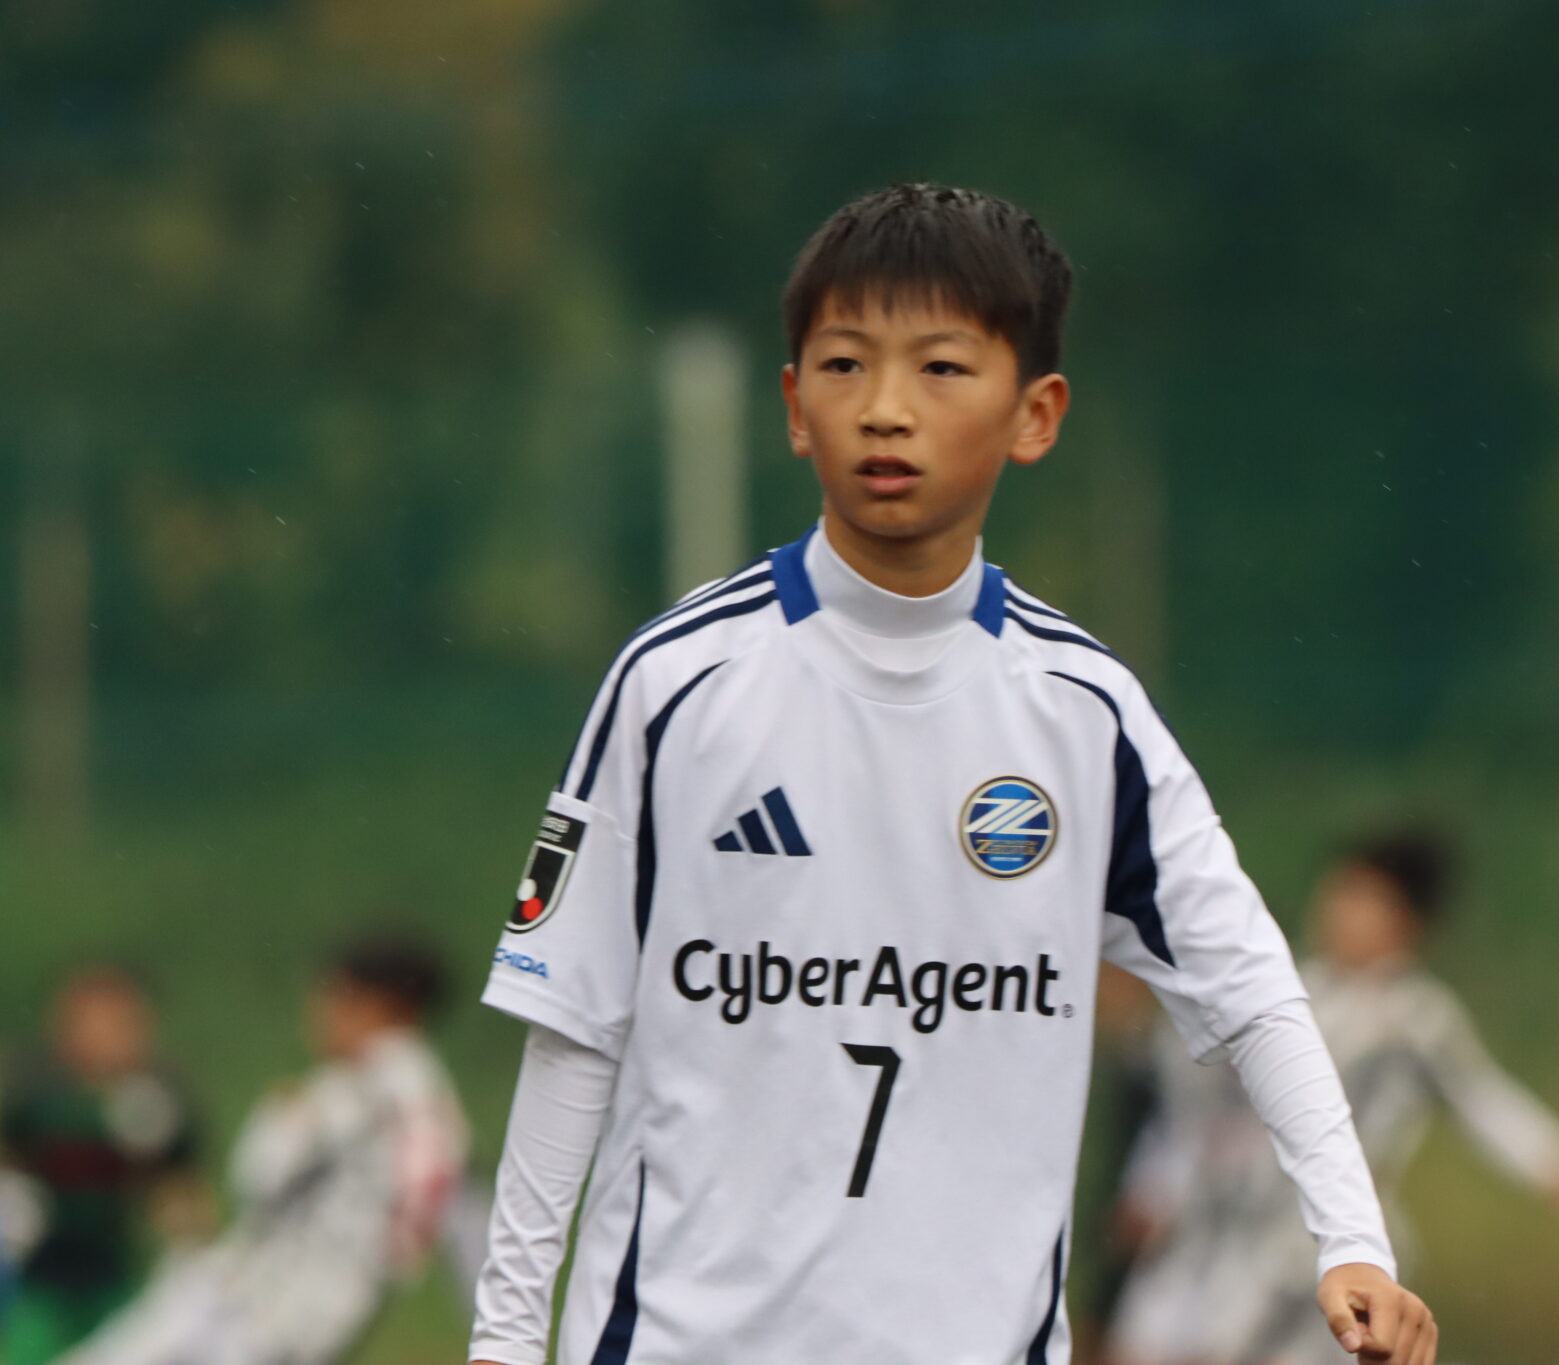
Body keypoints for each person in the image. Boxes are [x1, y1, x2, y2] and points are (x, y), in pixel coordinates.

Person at [467, 183, 1437, 1365]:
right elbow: (574, 1027)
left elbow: (1252, 994)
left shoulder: (1085, 717)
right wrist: (502, 1343)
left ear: (1034, 415)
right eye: (844, 365)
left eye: (938, 368)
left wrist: (1352, 1240)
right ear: (794, 407)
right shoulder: (674, 685)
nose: (885, 410)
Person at [1108, 828, 1559, 1365]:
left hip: (1318, 1242)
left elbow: (1482, 1098)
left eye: (1367, 901)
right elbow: (1203, 1107)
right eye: (1341, 893)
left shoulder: (1414, 1016)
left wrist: (1558, 1163)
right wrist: (1156, 1185)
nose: (1345, 913)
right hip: (1223, 1226)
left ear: (1410, 923)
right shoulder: (1284, 991)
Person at [57, 937, 468, 1365]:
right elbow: (420, 1235)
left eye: (331, 997)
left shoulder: (351, 1091)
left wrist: (283, 1113)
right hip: (327, 1308)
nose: (318, 1012)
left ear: (374, 1004)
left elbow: (258, 1172)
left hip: (262, 1303)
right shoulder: (434, 1103)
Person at [0, 967, 201, 1365]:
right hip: (42, 1278)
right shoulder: (38, 1095)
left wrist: (190, 1260)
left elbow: (178, 1190)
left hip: (114, 1275)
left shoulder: (156, 1100)